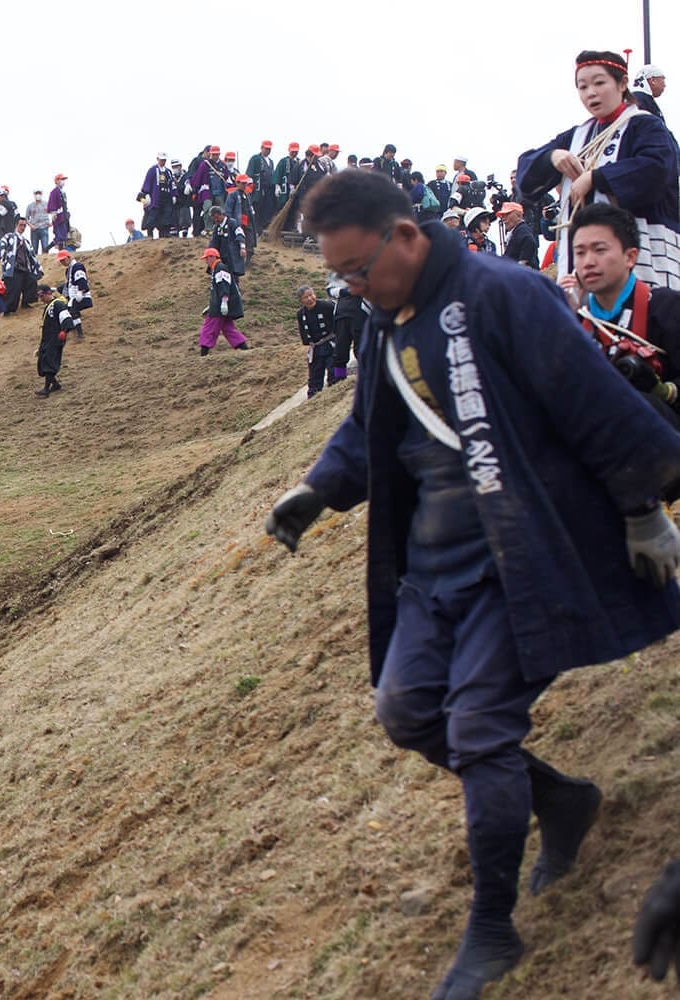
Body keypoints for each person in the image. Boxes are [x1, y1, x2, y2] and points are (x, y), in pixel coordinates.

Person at [264, 169, 680, 1000]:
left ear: (405, 237)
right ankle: (562, 801)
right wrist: (319, 488)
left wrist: (641, 508)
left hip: (517, 550)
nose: (352, 287)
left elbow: (591, 403)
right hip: (433, 559)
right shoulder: (386, 323)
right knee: (408, 709)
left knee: (480, 726)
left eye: (356, 270)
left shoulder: (506, 294)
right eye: (338, 276)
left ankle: (491, 927)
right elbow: (367, 425)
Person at [519, 49, 680, 290]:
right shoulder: (575, 138)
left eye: (599, 83)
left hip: (642, 260)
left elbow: (656, 169)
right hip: (584, 270)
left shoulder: (646, 125)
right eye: (582, 87)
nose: (591, 93)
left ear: (623, 83)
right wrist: (553, 157)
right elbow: (525, 171)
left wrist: (596, 178)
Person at [558, 202, 680, 429]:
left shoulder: (667, 308)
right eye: (580, 252)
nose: (589, 262)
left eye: (600, 250)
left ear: (630, 257)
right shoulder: (572, 323)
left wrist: (665, 392)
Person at [197, 248, 248, 355]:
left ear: (212, 257)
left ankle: (203, 353)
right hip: (220, 304)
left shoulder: (220, 268)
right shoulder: (218, 268)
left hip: (221, 305)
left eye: (206, 258)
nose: (206, 261)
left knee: (209, 328)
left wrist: (223, 302)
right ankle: (244, 348)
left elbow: (224, 286)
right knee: (228, 328)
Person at [0, 217, 42, 314]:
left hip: (25, 268)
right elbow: (1, 245)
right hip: (14, 268)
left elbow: (32, 256)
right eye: (21, 225)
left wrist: (37, 267)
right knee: (13, 289)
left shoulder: (26, 241)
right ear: (16, 225)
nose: (23, 227)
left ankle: (26, 302)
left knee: (31, 281)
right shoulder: (9, 237)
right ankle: (7, 310)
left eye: (24, 225)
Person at [34, 285, 77, 397]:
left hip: (55, 337)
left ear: (48, 293)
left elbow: (65, 317)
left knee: (49, 360)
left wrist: (64, 330)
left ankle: (46, 389)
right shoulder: (49, 306)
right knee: (43, 360)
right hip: (47, 338)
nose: (40, 298)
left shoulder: (57, 304)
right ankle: (55, 384)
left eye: (42, 295)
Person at [296, 285, 336, 397]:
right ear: (301, 301)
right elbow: (303, 331)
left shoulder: (328, 306)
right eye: (306, 297)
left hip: (332, 343)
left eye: (311, 295)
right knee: (314, 375)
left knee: (336, 369)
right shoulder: (301, 314)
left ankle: (340, 388)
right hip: (316, 348)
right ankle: (313, 396)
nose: (310, 299)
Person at [137, 153, 175, 239]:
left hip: (166, 196)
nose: (163, 162)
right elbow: (147, 182)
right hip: (156, 197)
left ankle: (165, 233)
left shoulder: (168, 172)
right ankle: (150, 234)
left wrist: (173, 195)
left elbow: (172, 184)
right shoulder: (152, 170)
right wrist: (147, 194)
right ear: (157, 159)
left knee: (166, 214)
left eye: (164, 160)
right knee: (153, 215)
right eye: (161, 160)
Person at [55, 249, 91, 339]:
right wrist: (57, 289)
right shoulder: (68, 270)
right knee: (71, 309)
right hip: (73, 295)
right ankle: (75, 330)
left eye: (63, 260)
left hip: (81, 295)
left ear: (69, 257)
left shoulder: (77, 266)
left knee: (73, 311)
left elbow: (82, 280)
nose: (62, 262)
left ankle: (80, 334)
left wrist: (81, 291)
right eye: (61, 261)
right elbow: (69, 284)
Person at [207, 205, 247, 276]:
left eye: (217, 217)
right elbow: (213, 242)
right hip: (222, 257)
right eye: (214, 218)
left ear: (222, 214)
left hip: (232, 256)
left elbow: (240, 234)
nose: (216, 220)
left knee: (233, 277)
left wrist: (242, 247)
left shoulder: (232, 223)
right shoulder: (217, 227)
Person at [496, 203, 539, 268]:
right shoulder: (516, 231)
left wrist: (522, 263)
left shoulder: (522, 229)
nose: (504, 219)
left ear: (519, 215)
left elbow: (530, 241)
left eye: (507, 214)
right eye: (502, 216)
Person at [246, 141, 277, 230]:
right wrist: (250, 185)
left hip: (268, 188)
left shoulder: (271, 161)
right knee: (257, 207)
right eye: (266, 148)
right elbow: (250, 172)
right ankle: (256, 228)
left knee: (267, 208)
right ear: (262, 148)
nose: (268, 151)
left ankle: (264, 226)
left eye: (269, 149)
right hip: (258, 187)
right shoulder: (255, 158)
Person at [25, 188, 52, 256]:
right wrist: (30, 225)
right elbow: (26, 218)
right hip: (34, 229)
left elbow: (53, 212)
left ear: (41, 194)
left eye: (39, 193)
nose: (38, 195)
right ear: (34, 195)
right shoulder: (30, 206)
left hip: (44, 227)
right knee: (34, 249)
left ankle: (46, 261)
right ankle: (35, 263)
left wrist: (52, 222)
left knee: (45, 247)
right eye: (36, 193)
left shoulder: (46, 204)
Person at [48, 174, 71, 251]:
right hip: (58, 217)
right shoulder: (54, 192)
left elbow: (64, 205)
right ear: (57, 181)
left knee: (63, 235)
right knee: (60, 236)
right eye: (61, 179)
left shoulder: (63, 193)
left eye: (63, 180)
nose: (63, 181)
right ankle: (61, 252)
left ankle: (47, 248)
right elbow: (51, 203)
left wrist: (67, 213)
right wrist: (53, 213)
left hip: (64, 217)